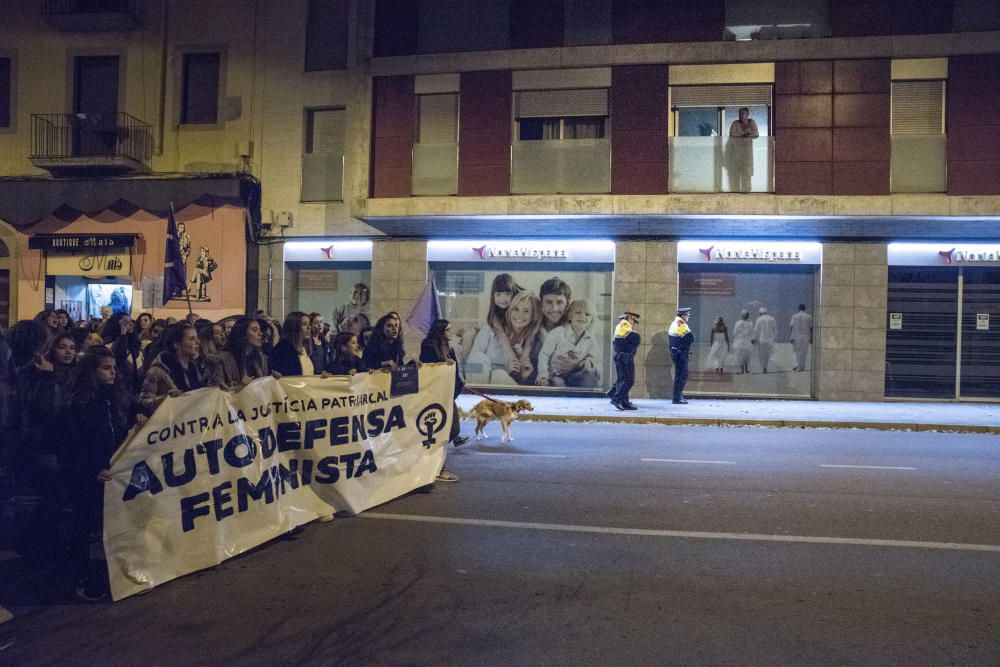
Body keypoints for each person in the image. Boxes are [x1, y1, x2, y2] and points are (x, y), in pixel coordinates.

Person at [57, 347, 147, 600]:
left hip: (111, 472)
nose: (113, 373)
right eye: (106, 368)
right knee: (85, 526)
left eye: (114, 368)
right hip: (87, 476)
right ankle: (82, 579)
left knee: (114, 524)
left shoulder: (114, 397)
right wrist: (90, 470)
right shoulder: (77, 404)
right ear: (91, 372)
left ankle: (114, 575)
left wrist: (140, 412)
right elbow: (70, 446)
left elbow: (132, 407)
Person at [420, 319, 470, 463]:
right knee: (444, 427)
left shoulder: (449, 348)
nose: (451, 332)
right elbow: (429, 368)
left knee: (454, 428)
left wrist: (459, 382)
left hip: (448, 393)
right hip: (435, 393)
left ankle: (437, 454)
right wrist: (442, 364)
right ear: (440, 332)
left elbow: (454, 368)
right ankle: (433, 457)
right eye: (448, 329)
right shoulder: (428, 346)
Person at [535, 298, 600, 388]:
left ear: (592, 320)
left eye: (587, 314)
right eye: (578, 313)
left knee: (589, 379)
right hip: (556, 374)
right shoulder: (558, 332)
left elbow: (593, 358)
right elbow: (544, 354)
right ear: (570, 316)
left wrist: (583, 363)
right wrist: (543, 375)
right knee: (558, 385)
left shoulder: (591, 338)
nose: (583, 316)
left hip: (577, 374)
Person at [138, 323, 205, 410]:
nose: (198, 342)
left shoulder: (197, 368)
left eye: (197, 338)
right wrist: (165, 398)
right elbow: (143, 402)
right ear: (177, 345)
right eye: (192, 339)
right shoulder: (158, 370)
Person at [205, 316, 270, 389]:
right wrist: (239, 387)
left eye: (260, 330)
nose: (260, 333)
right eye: (254, 330)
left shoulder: (260, 359)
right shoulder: (220, 360)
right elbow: (214, 392)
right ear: (243, 334)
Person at [270, 311, 321, 377]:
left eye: (309, 324)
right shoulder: (282, 349)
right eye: (304, 324)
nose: (309, 328)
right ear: (294, 327)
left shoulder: (306, 348)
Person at [607, 311, 640, 410]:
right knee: (629, 380)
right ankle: (616, 399)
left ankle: (624, 401)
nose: (634, 323)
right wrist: (635, 337)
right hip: (625, 357)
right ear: (629, 318)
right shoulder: (624, 326)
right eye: (633, 320)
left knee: (623, 379)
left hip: (622, 357)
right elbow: (636, 340)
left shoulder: (620, 326)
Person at [727, 106, 759, 193]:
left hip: (747, 154)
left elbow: (756, 134)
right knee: (735, 174)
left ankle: (746, 192)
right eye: (740, 113)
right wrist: (746, 134)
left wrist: (743, 135)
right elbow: (732, 134)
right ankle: (735, 191)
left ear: (747, 114)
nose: (741, 115)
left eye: (743, 113)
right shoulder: (735, 123)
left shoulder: (751, 122)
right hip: (736, 153)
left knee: (747, 174)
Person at [668, 307, 694, 404]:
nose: (688, 317)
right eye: (687, 315)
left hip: (678, 353)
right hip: (680, 353)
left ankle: (678, 395)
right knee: (680, 375)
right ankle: (677, 397)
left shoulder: (675, 323)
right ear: (683, 315)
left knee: (683, 374)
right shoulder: (680, 323)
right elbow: (690, 337)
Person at [753, 306, 777, 374]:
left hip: (762, 339)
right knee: (767, 354)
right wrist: (773, 338)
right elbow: (775, 330)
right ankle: (765, 366)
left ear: (760, 313)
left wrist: (754, 339)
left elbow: (756, 330)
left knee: (761, 354)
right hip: (770, 340)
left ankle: (764, 367)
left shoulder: (759, 319)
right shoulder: (772, 319)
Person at [789, 304, 813, 372]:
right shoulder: (809, 316)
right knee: (804, 352)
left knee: (797, 351)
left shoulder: (794, 316)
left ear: (798, 308)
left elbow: (792, 327)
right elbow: (811, 328)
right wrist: (812, 337)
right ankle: (802, 367)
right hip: (806, 336)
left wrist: (791, 336)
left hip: (796, 336)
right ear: (805, 308)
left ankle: (799, 366)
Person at [732, 310, 754, 374]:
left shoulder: (738, 323)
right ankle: (746, 370)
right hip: (747, 341)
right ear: (747, 316)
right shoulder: (750, 323)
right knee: (747, 356)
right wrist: (752, 339)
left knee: (740, 356)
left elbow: (734, 333)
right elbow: (752, 333)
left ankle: (742, 370)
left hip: (740, 341)